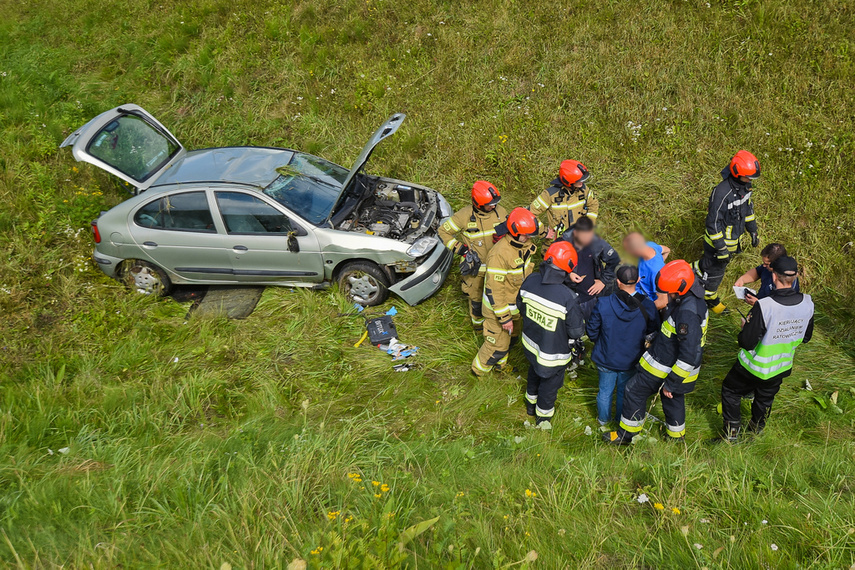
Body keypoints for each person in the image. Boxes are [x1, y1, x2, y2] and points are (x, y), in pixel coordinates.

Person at [603, 260, 708, 445]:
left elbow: (689, 354)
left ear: (679, 289)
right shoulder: (694, 297)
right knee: (673, 401)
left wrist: (672, 382)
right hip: (679, 370)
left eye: (668, 292)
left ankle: (625, 435)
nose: (665, 295)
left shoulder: (687, 314)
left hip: (666, 368)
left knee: (633, 391)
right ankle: (676, 438)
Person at [719, 256, 814, 442]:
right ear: (793, 278)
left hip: (753, 366)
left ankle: (731, 435)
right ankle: (755, 432)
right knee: (764, 400)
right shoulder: (808, 303)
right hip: (781, 366)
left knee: (731, 391)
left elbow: (746, 342)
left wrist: (745, 327)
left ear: (774, 278)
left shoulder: (764, 305)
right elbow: (806, 337)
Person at [518, 241, 585, 428]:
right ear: (568, 267)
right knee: (549, 385)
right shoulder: (567, 297)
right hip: (552, 354)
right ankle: (543, 418)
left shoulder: (530, 280)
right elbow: (576, 331)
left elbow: (520, 306)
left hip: (531, 344)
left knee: (534, 371)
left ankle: (530, 405)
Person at [587, 265, 660, 426]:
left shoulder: (604, 302)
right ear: (639, 280)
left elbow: (592, 329)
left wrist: (599, 342)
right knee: (623, 392)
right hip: (631, 359)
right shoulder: (647, 305)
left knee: (604, 392)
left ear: (618, 281)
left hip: (605, 356)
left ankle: (603, 422)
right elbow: (654, 331)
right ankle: (620, 420)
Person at [472, 208, 539, 376]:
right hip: (499, 310)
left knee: (509, 340)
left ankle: (500, 366)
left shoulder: (524, 245)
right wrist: (504, 318)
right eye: (526, 235)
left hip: (514, 307)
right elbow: (495, 290)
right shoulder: (499, 255)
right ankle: (478, 372)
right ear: (515, 233)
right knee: (497, 345)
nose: (529, 238)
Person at [693, 150, 761, 314]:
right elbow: (712, 222)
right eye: (748, 176)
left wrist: (752, 230)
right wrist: (721, 247)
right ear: (737, 173)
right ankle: (710, 298)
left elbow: (748, 210)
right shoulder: (722, 193)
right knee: (716, 273)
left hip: (731, 241)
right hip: (718, 244)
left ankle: (693, 270)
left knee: (709, 266)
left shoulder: (744, 188)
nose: (750, 180)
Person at [438, 180, 508, 328]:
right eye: (490, 204)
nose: (494, 206)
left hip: (498, 266)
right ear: (478, 204)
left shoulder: (500, 212)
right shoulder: (463, 216)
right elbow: (443, 231)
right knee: (476, 299)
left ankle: (496, 322)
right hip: (476, 270)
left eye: (495, 203)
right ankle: (477, 326)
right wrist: (461, 250)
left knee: (499, 295)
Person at [558, 216, 620, 322]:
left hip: (589, 296)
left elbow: (614, 259)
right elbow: (551, 267)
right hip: (566, 294)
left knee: (591, 324)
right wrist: (568, 274)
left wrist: (603, 281)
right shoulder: (561, 243)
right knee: (570, 326)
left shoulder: (596, 242)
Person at [529, 159, 599, 241]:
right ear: (569, 181)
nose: (582, 183)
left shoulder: (584, 190)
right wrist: (543, 232)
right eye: (579, 180)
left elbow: (594, 205)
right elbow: (531, 213)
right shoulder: (550, 195)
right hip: (556, 244)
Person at [734, 243, 800, 305]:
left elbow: (782, 307)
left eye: (766, 264)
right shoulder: (768, 268)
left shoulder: (787, 279)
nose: (764, 266)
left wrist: (759, 305)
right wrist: (742, 280)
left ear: (777, 263)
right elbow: (757, 272)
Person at [623, 232, 671, 310]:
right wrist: (661, 260)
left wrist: (641, 311)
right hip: (637, 287)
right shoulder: (650, 245)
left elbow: (663, 302)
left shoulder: (657, 272)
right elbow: (667, 250)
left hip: (646, 300)